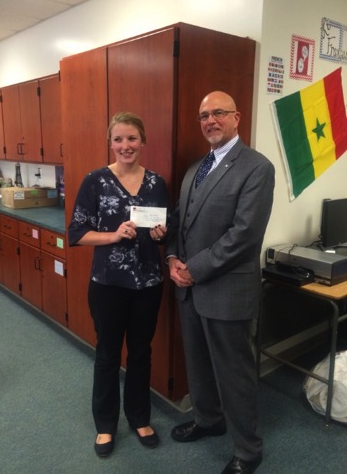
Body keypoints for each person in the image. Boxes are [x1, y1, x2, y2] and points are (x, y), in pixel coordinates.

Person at [165, 91, 275, 474]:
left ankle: (248, 450)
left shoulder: (256, 168)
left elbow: (244, 235)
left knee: (234, 373)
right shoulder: (196, 167)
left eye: (218, 113)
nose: (210, 120)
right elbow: (181, 220)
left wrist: (193, 268)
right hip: (189, 287)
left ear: (237, 117)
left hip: (227, 289)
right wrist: (172, 255)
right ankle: (209, 421)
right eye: (203, 115)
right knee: (197, 364)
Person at [68, 112, 168, 458]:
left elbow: (163, 231)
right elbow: (77, 234)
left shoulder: (157, 183)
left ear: (143, 142)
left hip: (148, 283)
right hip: (108, 284)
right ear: (110, 143)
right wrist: (113, 234)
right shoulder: (94, 181)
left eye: (132, 139)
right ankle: (106, 425)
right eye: (119, 139)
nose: (126, 146)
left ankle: (140, 417)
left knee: (141, 352)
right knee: (108, 354)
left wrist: (159, 235)